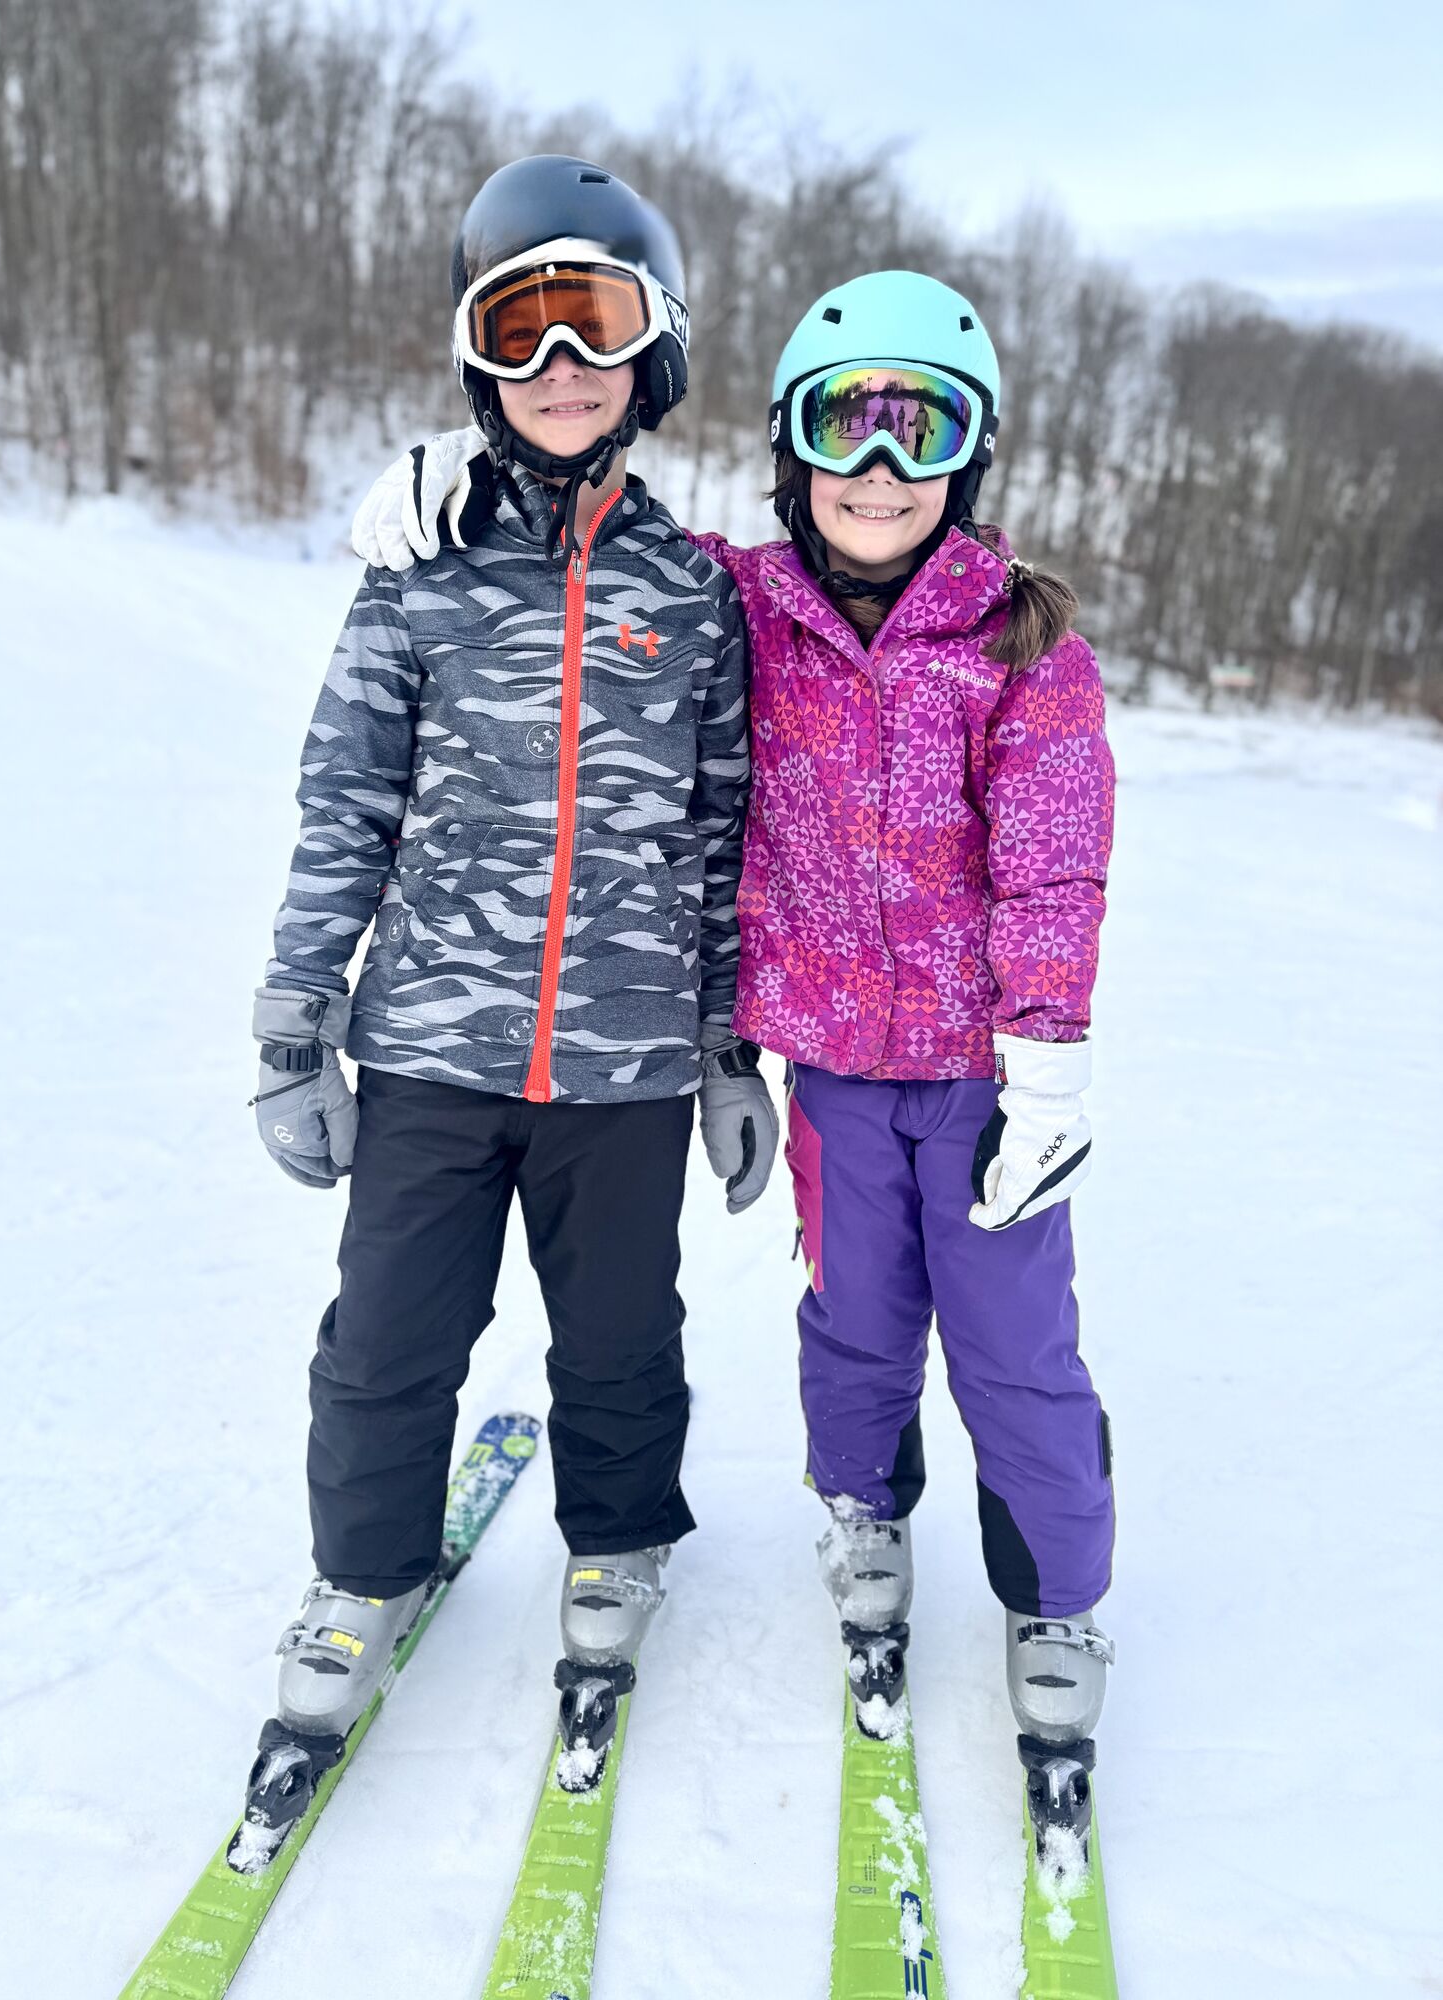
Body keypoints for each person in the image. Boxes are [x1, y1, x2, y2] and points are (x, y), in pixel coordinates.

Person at [353, 269, 1117, 1777]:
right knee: (853, 1327)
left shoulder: (1024, 649)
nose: (882, 471)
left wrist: (1050, 1064)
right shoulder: (741, 601)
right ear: (794, 446)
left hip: (979, 1080)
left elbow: (1051, 861)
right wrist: (475, 482)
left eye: (921, 432)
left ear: (968, 454)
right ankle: (864, 1515)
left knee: (1017, 1347)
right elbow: (598, 554)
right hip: (828, 1068)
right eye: (849, 428)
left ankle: (1055, 1601)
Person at [241, 155, 777, 1842]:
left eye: (596, 323)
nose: (560, 364)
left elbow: (723, 832)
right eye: (520, 327)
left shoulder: (693, 597)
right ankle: (362, 1573)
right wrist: (289, 1020)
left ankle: (619, 1547)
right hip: (429, 1049)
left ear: (656, 353)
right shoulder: (420, 572)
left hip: (621, 1065)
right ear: (479, 359)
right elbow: (346, 805)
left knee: (621, 1342)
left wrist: (723, 1046)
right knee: (390, 1342)